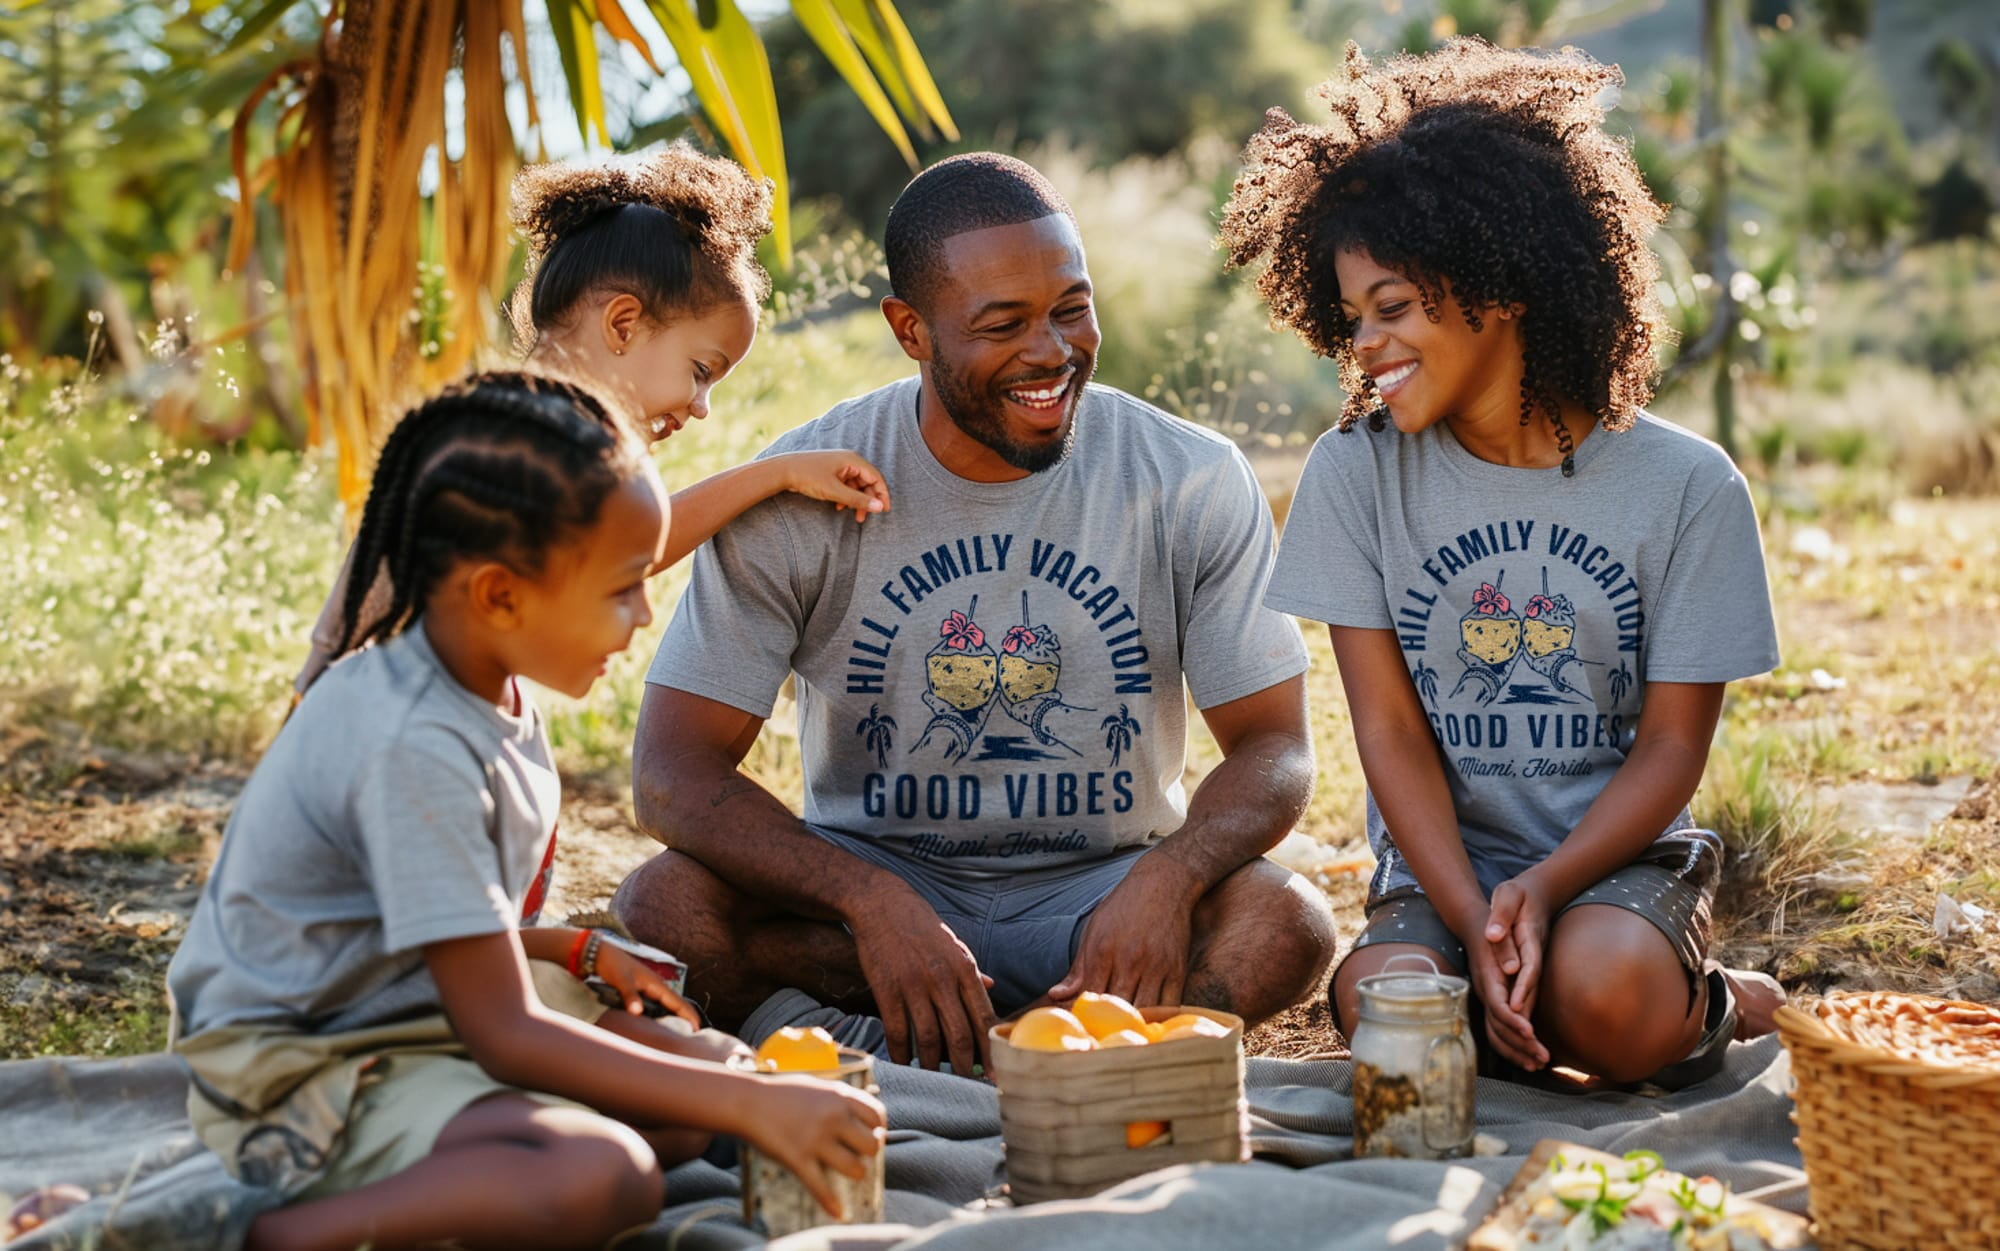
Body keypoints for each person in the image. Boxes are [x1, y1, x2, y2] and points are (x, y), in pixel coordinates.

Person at [611, 153, 1339, 1079]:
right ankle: (1026, 1054)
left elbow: (1275, 746)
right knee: (664, 909)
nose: (1050, 351)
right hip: (871, 904)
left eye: (1071, 308)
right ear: (910, 331)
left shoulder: (1188, 473)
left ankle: (982, 1051)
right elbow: (672, 774)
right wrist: (867, 899)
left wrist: (1171, 875)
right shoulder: (806, 483)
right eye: (1002, 324)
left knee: (1284, 924)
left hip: (1097, 896)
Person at [167, 374, 887, 1251]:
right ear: (502, 595)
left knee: (705, 1075)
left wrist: (569, 948)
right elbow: (505, 1031)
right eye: (623, 587)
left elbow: (427, 926)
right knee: (602, 1173)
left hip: (412, 1019)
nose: (645, 612)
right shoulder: (412, 741)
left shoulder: (488, 683)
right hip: (309, 1070)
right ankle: (261, 1231)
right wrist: (757, 1103)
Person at [1221, 40, 1786, 1088]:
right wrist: (1475, 916)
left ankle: (1715, 999)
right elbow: (1387, 732)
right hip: (1442, 868)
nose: (1366, 348)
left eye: (1391, 308)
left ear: (1503, 286)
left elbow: (1669, 750)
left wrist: (1543, 889)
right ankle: (1527, 985)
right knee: (1391, 1019)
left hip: (1614, 862)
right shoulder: (1354, 474)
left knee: (1602, 1004)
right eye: (1351, 321)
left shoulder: (1685, 487)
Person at [294, 144, 890, 697]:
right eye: (702, 370)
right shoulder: (522, 435)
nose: (701, 406)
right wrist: (774, 475)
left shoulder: (515, 415)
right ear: (623, 324)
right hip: (381, 715)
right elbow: (629, 545)